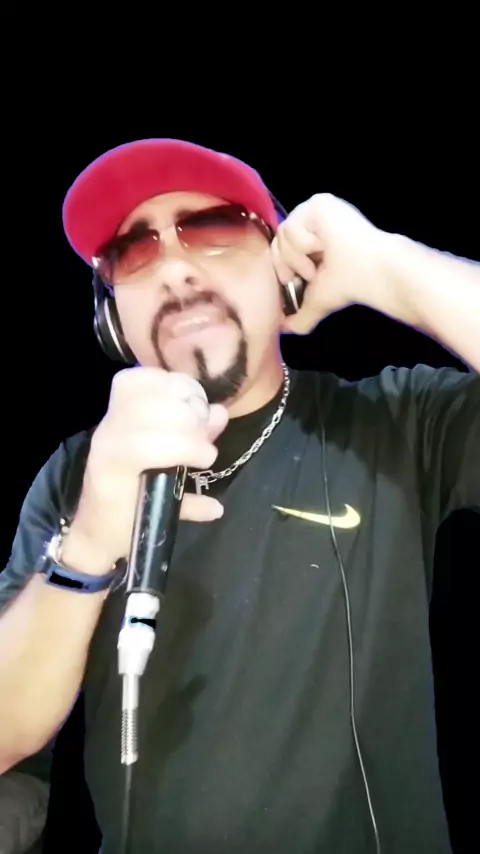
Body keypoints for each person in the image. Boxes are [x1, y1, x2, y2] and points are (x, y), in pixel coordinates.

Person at [0, 138, 478, 854]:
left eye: (213, 227)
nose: (174, 269)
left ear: (284, 270)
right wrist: (89, 544)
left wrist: (387, 265)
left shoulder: (394, 421)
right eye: (134, 249)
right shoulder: (76, 476)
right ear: (111, 318)